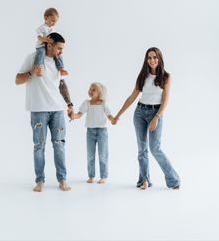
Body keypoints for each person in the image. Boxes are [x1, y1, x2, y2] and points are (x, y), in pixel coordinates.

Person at [112, 47, 180, 190]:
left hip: (156, 112)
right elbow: (132, 97)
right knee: (142, 150)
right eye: (149, 58)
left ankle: (174, 180)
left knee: (155, 148)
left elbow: (165, 100)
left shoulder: (166, 77)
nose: (152, 60)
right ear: (146, 60)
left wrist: (156, 117)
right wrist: (118, 115)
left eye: (155, 57)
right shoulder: (143, 76)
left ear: (159, 58)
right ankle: (144, 180)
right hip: (140, 113)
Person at [15, 32, 73, 192]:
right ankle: (40, 181)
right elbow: (17, 80)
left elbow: (61, 84)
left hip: (57, 111)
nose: (61, 52)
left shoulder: (58, 62)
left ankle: (62, 179)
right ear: (49, 44)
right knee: (39, 146)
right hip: (38, 109)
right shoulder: (33, 58)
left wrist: (69, 104)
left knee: (59, 145)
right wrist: (31, 73)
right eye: (59, 48)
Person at [70, 83, 114, 184]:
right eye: (90, 89)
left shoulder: (104, 103)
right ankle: (91, 176)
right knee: (90, 155)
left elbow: (110, 115)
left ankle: (103, 176)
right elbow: (79, 114)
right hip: (90, 132)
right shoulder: (87, 103)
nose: (90, 91)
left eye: (93, 90)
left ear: (99, 93)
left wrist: (113, 120)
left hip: (102, 131)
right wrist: (73, 115)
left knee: (103, 154)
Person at [34, 7, 68, 77]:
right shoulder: (42, 28)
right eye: (52, 21)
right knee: (41, 53)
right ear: (45, 18)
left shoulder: (53, 29)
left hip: (50, 46)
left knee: (58, 54)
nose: (54, 23)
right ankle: (38, 68)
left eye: (55, 22)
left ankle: (61, 68)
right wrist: (45, 40)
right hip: (42, 46)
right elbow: (39, 37)